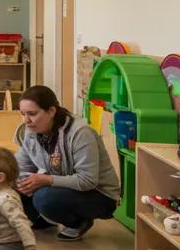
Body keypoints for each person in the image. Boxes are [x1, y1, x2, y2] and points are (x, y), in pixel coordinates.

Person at [15, 84, 120, 241]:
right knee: (14, 188)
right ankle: (46, 219)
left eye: (32, 114)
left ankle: (78, 222)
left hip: (99, 195)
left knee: (43, 198)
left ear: (51, 111)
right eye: (23, 114)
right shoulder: (31, 132)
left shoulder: (80, 133)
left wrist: (47, 180)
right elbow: (20, 166)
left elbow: (87, 181)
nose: (26, 120)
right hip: (65, 187)